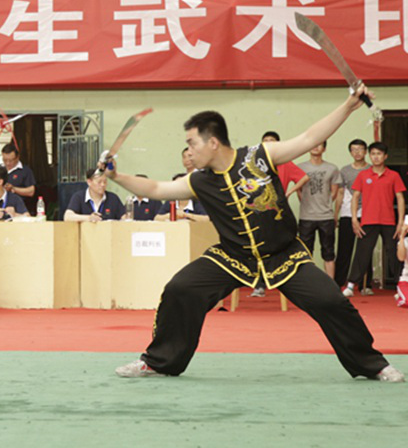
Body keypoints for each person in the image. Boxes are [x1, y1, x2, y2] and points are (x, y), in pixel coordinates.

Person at [108, 87, 404, 383]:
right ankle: (159, 362)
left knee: (331, 301)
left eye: (192, 143)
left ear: (213, 142)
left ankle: (372, 365)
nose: (189, 152)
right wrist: (116, 177)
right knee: (180, 289)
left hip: (285, 256)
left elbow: (309, 138)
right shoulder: (199, 180)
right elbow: (157, 189)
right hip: (233, 257)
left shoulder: (260, 156)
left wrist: (349, 105)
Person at [249, 130, 310, 297]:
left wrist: (289, 192)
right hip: (259, 209)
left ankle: (285, 281)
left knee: (280, 246)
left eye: (272, 140)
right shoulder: (254, 163)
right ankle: (259, 284)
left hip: (278, 210)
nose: (269, 143)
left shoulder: (285, 163)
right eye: (265, 140)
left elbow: (304, 177)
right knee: (259, 247)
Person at [343, 142, 406, 298]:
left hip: (389, 221)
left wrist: (400, 223)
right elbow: (355, 197)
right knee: (362, 253)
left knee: (394, 253)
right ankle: (351, 285)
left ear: (385, 156)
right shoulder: (363, 175)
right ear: (369, 156)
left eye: (379, 154)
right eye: (373, 154)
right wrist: (354, 220)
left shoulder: (393, 175)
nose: (376, 157)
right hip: (368, 220)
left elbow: (400, 198)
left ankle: (401, 287)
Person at [297, 141, 341, 278]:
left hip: (326, 216)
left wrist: (324, 204)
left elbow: (334, 192)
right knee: (305, 253)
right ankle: (307, 283)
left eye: (319, 144)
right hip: (306, 216)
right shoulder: (300, 168)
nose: (315, 147)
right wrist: (308, 203)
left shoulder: (332, 168)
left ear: (324, 148)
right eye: (313, 144)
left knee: (328, 253)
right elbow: (299, 190)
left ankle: (330, 284)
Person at [334, 139, 373, 293]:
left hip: (367, 213)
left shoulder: (371, 169)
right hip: (347, 213)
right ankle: (339, 283)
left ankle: (365, 285)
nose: (357, 152)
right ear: (350, 152)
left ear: (366, 151)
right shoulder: (344, 171)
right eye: (354, 150)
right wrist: (336, 214)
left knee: (365, 250)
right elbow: (340, 193)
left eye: (360, 149)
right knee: (344, 250)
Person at [397, 230, 408, 308]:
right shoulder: (404, 242)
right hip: (406, 281)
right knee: (407, 302)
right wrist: (401, 237)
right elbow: (401, 258)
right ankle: (401, 297)